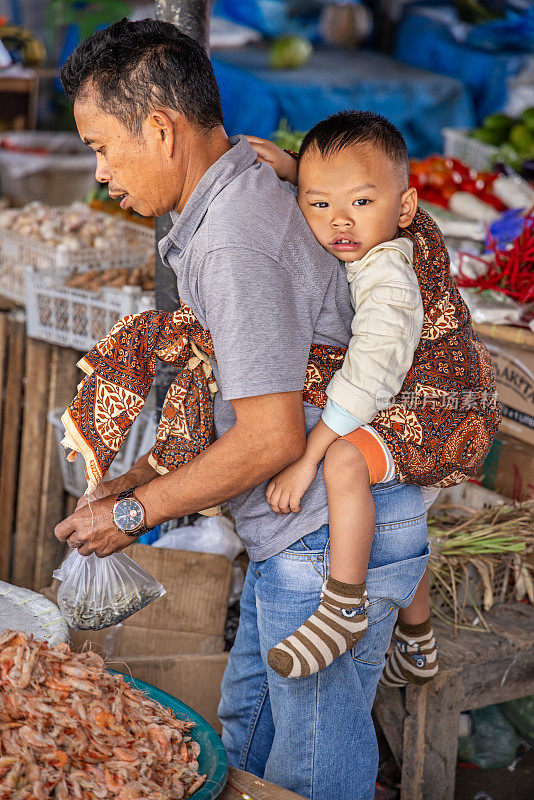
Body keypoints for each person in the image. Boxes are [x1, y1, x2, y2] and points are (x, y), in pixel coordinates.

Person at [52, 18, 477, 800]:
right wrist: (134, 480)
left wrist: (136, 513)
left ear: (161, 128)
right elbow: (247, 391)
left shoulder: (235, 241)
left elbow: (271, 438)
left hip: (326, 545)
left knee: (313, 775)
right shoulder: (235, 194)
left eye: (103, 146)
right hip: (304, 538)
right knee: (247, 734)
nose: (102, 172)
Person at [247, 112, 436, 685]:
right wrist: (289, 169)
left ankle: (343, 605)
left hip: (422, 408)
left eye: (359, 202)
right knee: (408, 520)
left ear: (403, 210)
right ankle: (419, 639)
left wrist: (306, 460)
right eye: (318, 204)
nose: (339, 221)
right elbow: (332, 189)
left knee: (342, 459)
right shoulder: (364, 241)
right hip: (399, 401)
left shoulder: (388, 281)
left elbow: (366, 380)